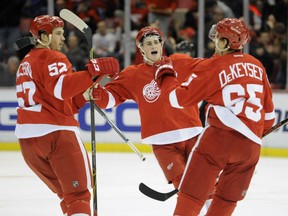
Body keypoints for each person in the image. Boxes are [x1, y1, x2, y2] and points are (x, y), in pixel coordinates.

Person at [83, 26, 216, 209]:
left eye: (156, 42)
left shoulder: (179, 62)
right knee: (186, 190)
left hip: (192, 134)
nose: (153, 46)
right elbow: (110, 98)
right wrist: (95, 90)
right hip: (163, 143)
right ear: (141, 49)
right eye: (148, 43)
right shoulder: (132, 74)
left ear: (162, 45)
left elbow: (212, 68)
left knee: (208, 186)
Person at [154, 18, 276, 216]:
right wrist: (248, 138)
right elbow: (268, 117)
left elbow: (177, 99)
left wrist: (166, 76)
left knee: (191, 196)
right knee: (226, 202)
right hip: (250, 149)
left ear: (226, 42)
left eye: (218, 37)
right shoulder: (257, 66)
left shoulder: (214, 65)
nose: (214, 41)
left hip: (218, 141)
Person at [14, 15, 119, 216]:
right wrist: (93, 72)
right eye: (59, 33)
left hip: (29, 144)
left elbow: (60, 102)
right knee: (78, 195)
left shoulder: (25, 63)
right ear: (44, 36)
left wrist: (84, 96)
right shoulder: (52, 57)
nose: (63, 38)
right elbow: (61, 89)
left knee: (66, 194)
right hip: (57, 136)